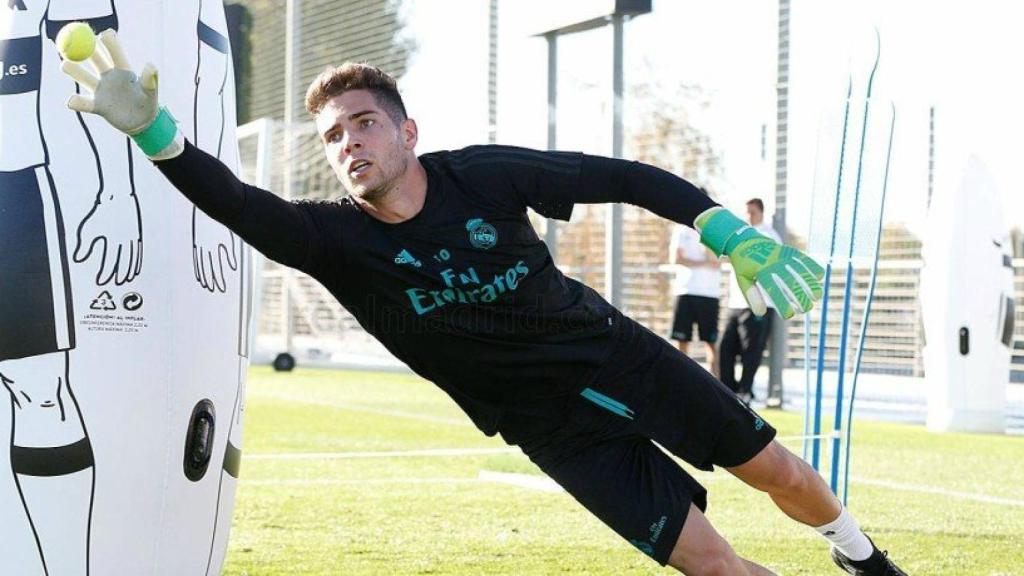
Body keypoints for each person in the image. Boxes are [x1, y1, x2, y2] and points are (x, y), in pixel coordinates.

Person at [58, 31, 907, 575]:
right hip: (551, 429)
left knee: (784, 474)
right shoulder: (335, 241)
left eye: (362, 123)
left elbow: (619, 175)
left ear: (405, 131)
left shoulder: (485, 175)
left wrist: (717, 223)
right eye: (333, 137)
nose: (348, 143)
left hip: (621, 357)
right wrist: (158, 137)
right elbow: (245, 207)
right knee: (714, 568)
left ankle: (859, 555)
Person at [718, 198, 782, 405]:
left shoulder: (769, 236)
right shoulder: (739, 235)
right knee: (724, 348)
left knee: (751, 352)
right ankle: (729, 391)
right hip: (736, 304)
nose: (748, 217)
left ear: (761, 212)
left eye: (752, 212)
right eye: (746, 213)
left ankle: (745, 393)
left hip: (758, 303)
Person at [668, 192, 722, 375]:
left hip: (709, 294)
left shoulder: (715, 230)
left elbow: (715, 261)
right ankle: (681, 381)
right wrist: (703, 264)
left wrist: (705, 234)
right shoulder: (681, 228)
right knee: (682, 342)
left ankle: (717, 386)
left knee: (711, 343)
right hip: (685, 290)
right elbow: (678, 258)